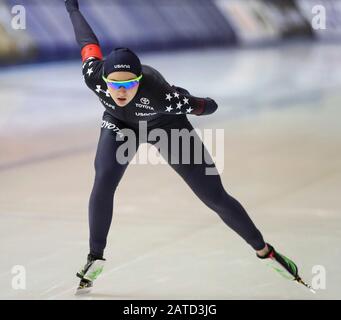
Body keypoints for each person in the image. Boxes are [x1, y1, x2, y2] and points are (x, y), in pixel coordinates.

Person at [64, 0, 302, 294]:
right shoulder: (93, 76)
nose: (122, 91)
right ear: (104, 80)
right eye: (115, 85)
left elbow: (208, 106)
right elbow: (87, 41)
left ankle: (264, 250)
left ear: (140, 80)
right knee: (103, 181)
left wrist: (188, 101)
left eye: (130, 84)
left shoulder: (163, 96)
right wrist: (72, 8)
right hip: (120, 125)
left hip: (167, 125)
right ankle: (95, 257)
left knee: (214, 196)